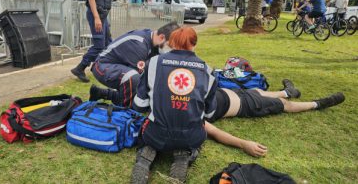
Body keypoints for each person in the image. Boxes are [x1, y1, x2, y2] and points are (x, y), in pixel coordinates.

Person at [130, 27, 218, 183]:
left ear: (171, 43)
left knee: (146, 128)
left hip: (156, 134)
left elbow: (139, 105)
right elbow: (210, 114)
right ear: (194, 45)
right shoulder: (208, 71)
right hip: (191, 136)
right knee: (195, 133)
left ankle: (144, 157)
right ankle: (184, 155)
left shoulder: (154, 63)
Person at [89, 22, 180, 107]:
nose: (170, 50)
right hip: (102, 66)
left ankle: (101, 93)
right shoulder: (139, 44)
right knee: (134, 78)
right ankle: (125, 109)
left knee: (139, 80)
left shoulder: (153, 41)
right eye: (170, 46)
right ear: (161, 37)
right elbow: (143, 80)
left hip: (119, 67)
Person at [206, 79, 345, 123]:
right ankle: (319, 104)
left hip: (233, 93)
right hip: (245, 105)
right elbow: (213, 131)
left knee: (257, 90)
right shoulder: (193, 117)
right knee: (284, 104)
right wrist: (243, 144)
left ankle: (288, 92)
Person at [71, 0, 113, 83]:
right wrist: (96, 18)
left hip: (102, 16)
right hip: (97, 16)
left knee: (108, 43)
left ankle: (105, 68)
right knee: (99, 45)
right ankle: (80, 68)